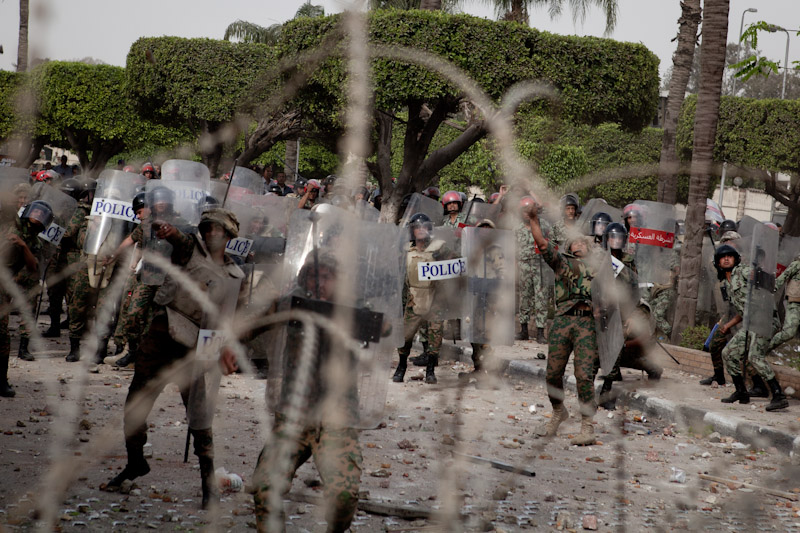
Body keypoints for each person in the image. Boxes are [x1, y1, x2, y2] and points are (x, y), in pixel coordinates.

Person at [103, 208, 246, 509]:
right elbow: (180, 239)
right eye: (208, 229)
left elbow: (228, 321)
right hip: (161, 336)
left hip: (195, 348)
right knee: (135, 407)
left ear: (230, 236)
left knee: (199, 418)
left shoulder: (235, 276)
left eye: (219, 231)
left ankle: (209, 485)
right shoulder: (188, 250)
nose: (211, 234)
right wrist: (168, 230)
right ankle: (136, 462)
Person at [222, 253, 365, 533]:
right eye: (313, 275)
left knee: (343, 497)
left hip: (336, 418)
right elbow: (252, 324)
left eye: (327, 276)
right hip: (293, 414)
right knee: (265, 488)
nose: (319, 282)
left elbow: (383, 327)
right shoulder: (291, 303)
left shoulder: (352, 307)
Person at [525, 200, 598, 446]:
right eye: (574, 241)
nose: (579, 243)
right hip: (563, 322)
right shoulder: (561, 261)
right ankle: (558, 412)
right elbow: (542, 242)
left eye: (583, 241)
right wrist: (533, 218)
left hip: (587, 323)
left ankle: (587, 425)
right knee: (553, 373)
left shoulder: (601, 268)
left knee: (584, 375)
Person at [716, 244, 788, 410]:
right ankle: (741, 392)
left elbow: (770, 283)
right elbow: (743, 310)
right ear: (718, 262)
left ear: (735, 259)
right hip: (751, 323)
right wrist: (729, 325)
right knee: (728, 353)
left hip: (765, 319)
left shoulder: (743, 271)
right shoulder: (725, 284)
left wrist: (759, 277)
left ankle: (779, 395)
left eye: (730, 256)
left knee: (755, 356)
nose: (726, 258)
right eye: (722, 257)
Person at [394, 213, 457, 384]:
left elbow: (458, 265)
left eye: (424, 227)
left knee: (435, 336)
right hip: (413, 298)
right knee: (405, 336)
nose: (420, 230)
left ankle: (430, 370)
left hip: (434, 298)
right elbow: (397, 272)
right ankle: (401, 367)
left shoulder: (439, 247)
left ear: (429, 229)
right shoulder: (406, 249)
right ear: (412, 230)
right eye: (417, 227)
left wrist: (443, 261)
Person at [0, 200, 51, 395]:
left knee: (2, 334)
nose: (37, 216)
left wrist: (22, 245)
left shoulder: (33, 241)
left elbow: (32, 266)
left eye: (41, 214)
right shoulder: (10, 222)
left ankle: (2, 381)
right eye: (35, 211)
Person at [515, 196, 547, 343]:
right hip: (523, 265)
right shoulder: (517, 228)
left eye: (529, 211)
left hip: (540, 264)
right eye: (524, 211)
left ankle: (541, 332)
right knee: (524, 297)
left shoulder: (543, 225)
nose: (526, 214)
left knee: (541, 297)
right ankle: (524, 330)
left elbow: (552, 243)